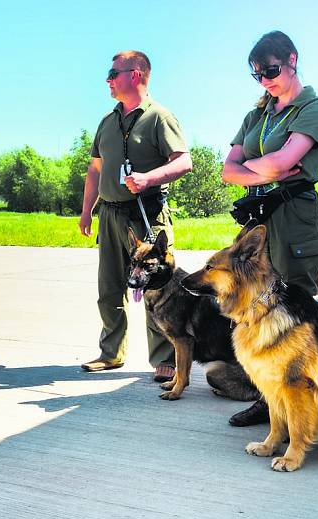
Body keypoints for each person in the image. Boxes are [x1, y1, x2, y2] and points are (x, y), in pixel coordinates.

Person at [221, 31, 318, 425]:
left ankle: (300, 408)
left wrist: (256, 170)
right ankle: (268, 402)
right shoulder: (257, 116)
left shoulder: (314, 109)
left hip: (294, 216)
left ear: (292, 59)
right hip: (258, 217)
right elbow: (227, 170)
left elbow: (262, 166)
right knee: (255, 307)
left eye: (270, 70)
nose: (265, 79)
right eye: (257, 74)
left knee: (295, 314)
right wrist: (269, 169)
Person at [78, 51, 192, 381]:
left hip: (146, 214)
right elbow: (95, 170)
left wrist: (147, 178)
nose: (108, 79)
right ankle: (111, 353)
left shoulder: (159, 117)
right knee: (110, 287)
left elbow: (183, 162)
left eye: (114, 72)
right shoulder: (107, 121)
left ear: (137, 74)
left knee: (157, 287)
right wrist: (87, 211)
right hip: (110, 216)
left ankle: (165, 358)